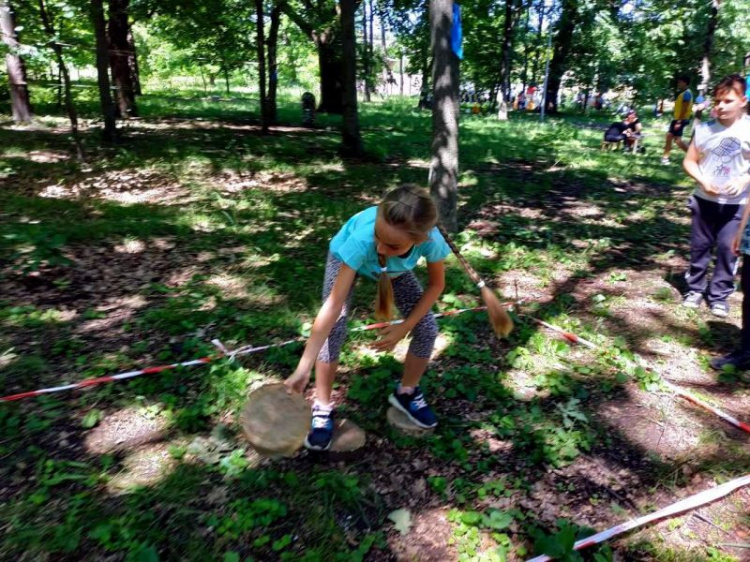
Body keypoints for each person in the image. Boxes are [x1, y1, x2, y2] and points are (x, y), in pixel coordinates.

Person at [283, 185, 451, 451]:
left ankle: (406, 393)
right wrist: (303, 367)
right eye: (379, 236)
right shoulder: (363, 240)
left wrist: (405, 327)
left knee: (427, 328)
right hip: (348, 258)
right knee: (334, 329)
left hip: (395, 271)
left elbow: (435, 286)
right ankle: (322, 407)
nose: (381, 247)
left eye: (392, 244)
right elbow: (333, 305)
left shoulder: (431, 241)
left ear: (419, 240)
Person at [681, 74, 750, 318]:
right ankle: (695, 289)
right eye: (717, 101)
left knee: (726, 249)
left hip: (737, 205)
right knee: (700, 247)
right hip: (704, 201)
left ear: (742, 100)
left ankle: (719, 295)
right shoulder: (704, 130)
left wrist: (744, 179)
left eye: (728, 101)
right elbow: (689, 161)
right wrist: (702, 180)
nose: (720, 106)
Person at [661, 75, 694, 165]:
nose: (678, 84)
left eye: (680, 82)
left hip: (680, 120)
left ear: (684, 83)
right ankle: (665, 157)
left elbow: (685, 107)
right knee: (671, 137)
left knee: (677, 140)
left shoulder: (687, 93)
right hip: (678, 119)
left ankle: (693, 156)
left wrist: (679, 121)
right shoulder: (684, 93)